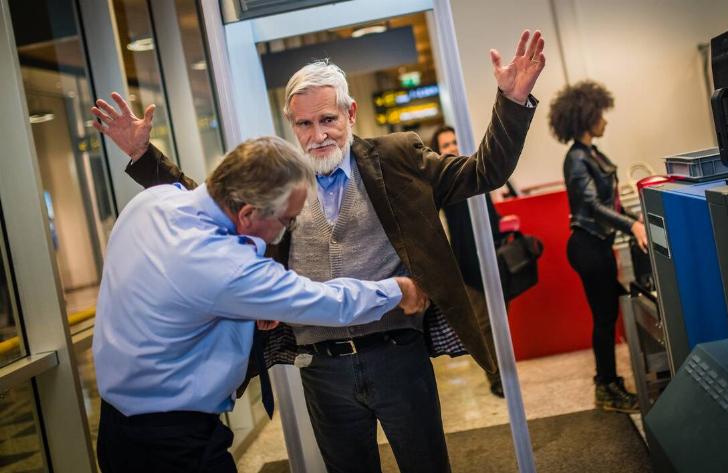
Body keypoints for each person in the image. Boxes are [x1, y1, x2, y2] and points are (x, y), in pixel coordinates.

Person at [92, 28, 545, 473]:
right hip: (322, 368)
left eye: (328, 120)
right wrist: (142, 155)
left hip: (396, 354)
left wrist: (512, 103)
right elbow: (215, 200)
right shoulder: (280, 181)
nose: (318, 135)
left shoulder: (397, 158)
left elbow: (484, 172)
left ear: (350, 113)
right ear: (292, 125)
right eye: (304, 124)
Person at [92, 136, 429, 473]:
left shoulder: (150, 203)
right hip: (173, 444)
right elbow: (328, 301)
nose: (284, 234)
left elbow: (176, 300)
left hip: (116, 430)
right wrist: (397, 290)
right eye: (287, 222)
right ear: (249, 213)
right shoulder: (227, 266)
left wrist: (245, 311)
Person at [548, 80, 647, 413]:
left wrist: (638, 218)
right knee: (604, 318)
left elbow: (612, 203)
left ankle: (608, 382)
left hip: (597, 244)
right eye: (600, 114)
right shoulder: (576, 159)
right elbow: (592, 206)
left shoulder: (590, 154)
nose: (605, 120)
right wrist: (632, 226)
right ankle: (606, 388)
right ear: (586, 117)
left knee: (611, 311)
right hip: (588, 246)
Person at [430, 125, 505, 398]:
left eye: (453, 142)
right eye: (445, 144)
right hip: (465, 266)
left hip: (491, 259)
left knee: (500, 320)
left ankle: (506, 370)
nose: (451, 148)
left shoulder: (476, 172)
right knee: (483, 324)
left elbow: (491, 213)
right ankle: (495, 377)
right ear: (437, 151)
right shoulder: (441, 184)